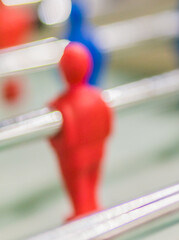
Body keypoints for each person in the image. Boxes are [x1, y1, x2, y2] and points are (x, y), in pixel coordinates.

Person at [49, 42, 113, 221]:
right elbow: (108, 126)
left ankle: (82, 213)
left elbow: (60, 136)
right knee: (92, 183)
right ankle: (92, 206)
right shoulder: (98, 97)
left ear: (62, 71)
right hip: (97, 152)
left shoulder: (61, 104)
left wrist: (58, 146)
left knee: (77, 190)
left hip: (75, 158)